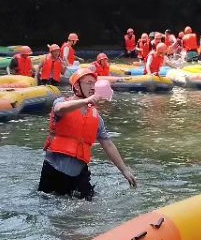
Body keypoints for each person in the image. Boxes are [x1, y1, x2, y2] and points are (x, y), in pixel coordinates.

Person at [38, 65, 136, 200]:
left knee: (90, 208)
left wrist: (124, 169)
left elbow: (108, 144)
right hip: (55, 170)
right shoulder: (60, 103)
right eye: (89, 83)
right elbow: (60, 109)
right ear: (77, 87)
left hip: (79, 173)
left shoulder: (96, 117)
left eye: (94, 83)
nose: (93, 87)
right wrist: (85, 101)